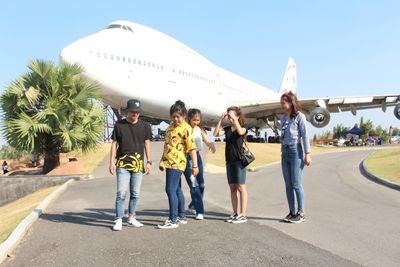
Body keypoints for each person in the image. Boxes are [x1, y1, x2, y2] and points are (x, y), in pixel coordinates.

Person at [109, 99, 152, 231]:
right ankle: (118, 219)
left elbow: (147, 143)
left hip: (138, 165)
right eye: (133, 112)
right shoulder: (119, 125)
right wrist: (111, 162)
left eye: (137, 112)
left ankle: (132, 217)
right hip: (122, 164)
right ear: (128, 111)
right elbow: (114, 143)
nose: (135, 114)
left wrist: (149, 161)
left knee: (135, 193)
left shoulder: (145, 126)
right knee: (121, 193)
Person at [158, 100, 199, 229]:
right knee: (176, 189)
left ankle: (173, 219)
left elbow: (192, 148)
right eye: (173, 116)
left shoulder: (186, 128)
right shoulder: (170, 128)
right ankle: (182, 216)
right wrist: (162, 161)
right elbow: (167, 146)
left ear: (184, 116)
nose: (176, 119)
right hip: (168, 162)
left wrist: (195, 165)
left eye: (178, 117)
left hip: (178, 163)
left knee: (169, 189)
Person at [280, 92, 312, 224]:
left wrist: (307, 153)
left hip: (295, 150)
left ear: (291, 103)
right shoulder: (283, 118)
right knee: (288, 185)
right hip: (285, 151)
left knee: (296, 184)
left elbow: (304, 135)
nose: (281, 105)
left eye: (283, 103)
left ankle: (301, 212)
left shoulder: (300, 117)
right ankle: (292, 212)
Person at [213, 107, 248, 224]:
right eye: (229, 117)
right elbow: (216, 133)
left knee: (241, 187)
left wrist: (235, 120)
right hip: (229, 161)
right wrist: (220, 119)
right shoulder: (227, 129)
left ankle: (243, 214)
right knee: (233, 188)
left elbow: (240, 132)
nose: (230, 119)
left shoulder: (243, 127)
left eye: (232, 116)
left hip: (239, 160)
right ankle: (235, 212)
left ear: (238, 117)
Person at [184, 109, 216, 220]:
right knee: (194, 184)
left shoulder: (200, 129)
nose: (196, 122)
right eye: (194, 120)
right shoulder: (186, 128)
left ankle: (194, 204)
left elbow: (206, 140)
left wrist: (211, 145)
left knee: (201, 183)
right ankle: (199, 210)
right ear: (189, 119)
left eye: (198, 120)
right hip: (188, 158)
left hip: (197, 156)